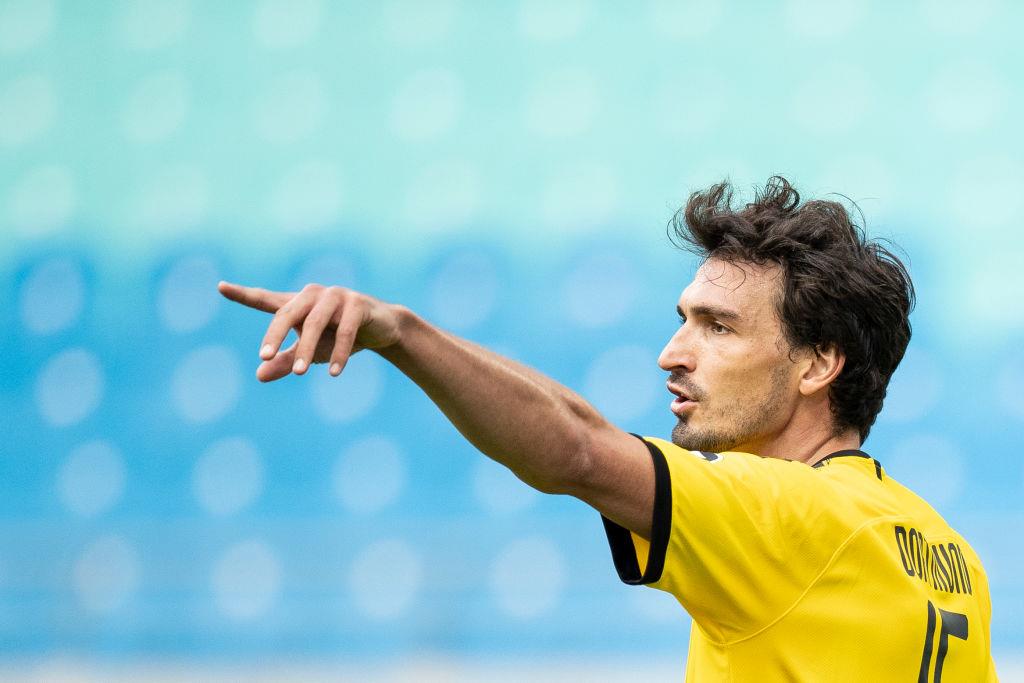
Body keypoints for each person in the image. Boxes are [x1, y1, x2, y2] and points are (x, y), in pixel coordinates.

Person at [217, 176, 997, 681]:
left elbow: (578, 448)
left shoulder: (779, 512)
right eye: (683, 320)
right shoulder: (950, 553)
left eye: (719, 327)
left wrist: (402, 335)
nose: (672, 354)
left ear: (819, 362)